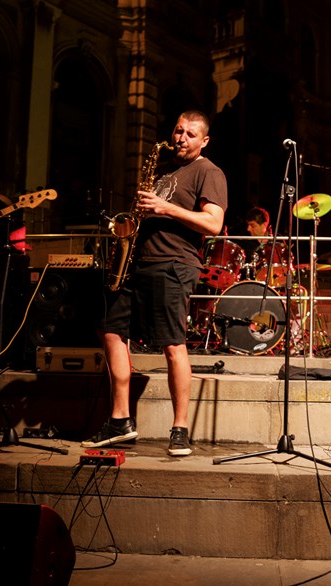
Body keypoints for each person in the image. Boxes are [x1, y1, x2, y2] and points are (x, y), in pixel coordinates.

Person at [84, 110, 227, 457]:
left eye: (190, 134)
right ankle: (120, 420)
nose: (181, 138)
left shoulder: (209, 172)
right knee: (110, 330)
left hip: (173, 264)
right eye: (178, 130)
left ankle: (180, 429)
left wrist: (165, 208)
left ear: (204, 141)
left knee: (172, 345)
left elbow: (213, 224)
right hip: (136, 262)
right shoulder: (162, 170)